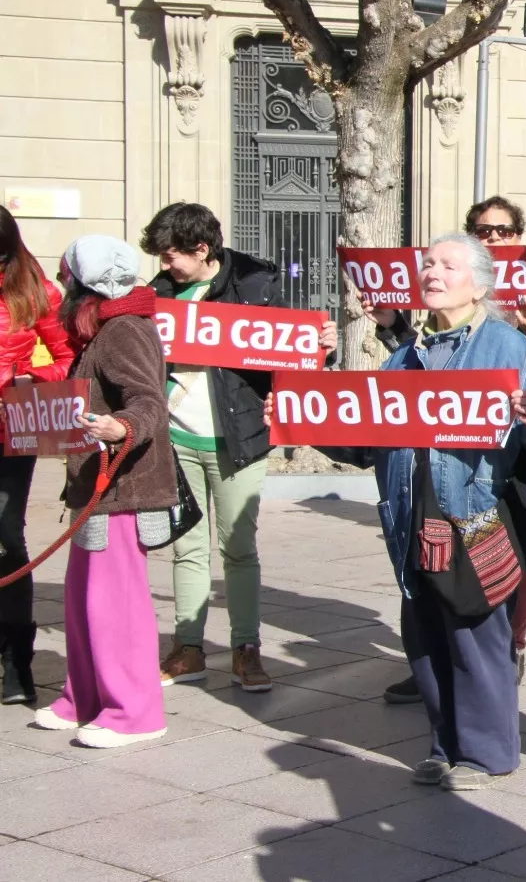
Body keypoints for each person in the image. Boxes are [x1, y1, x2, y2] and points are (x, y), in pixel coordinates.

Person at [296, 234, 526, 790]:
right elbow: (363, 443)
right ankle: (445, 746)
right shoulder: (400, 361)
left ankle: (487, 755)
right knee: (425, 637)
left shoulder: (515, 352)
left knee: (476, 637)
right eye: (427, 264)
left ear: (481, 283)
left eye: (447, 265)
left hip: (477, 515)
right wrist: (304, 414)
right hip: (412, 517)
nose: (432, 272)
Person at [142, 203, 335, 693]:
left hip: (238, 438)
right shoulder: (155, 295)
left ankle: (245, 648)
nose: (165, 267)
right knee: (186, 547)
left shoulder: (256, 288)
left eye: (171, 257)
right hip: (177, 439)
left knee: (238, 548)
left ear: (201, 249)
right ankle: (189, 648)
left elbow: (292, 357)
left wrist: (321, 347)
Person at [380, 197, 526, 705]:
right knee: (429, 618)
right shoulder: (412, 347)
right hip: (422, 497)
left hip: (488, 489)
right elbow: (396, 399)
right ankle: (444, 726)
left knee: (482, 612)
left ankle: (503, 672)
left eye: (501, 231)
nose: (492, 238)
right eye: (482, 229)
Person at [32, 236, 175, 748]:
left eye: (66, 275)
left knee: (117, 602)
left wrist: (123, 427)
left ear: (82, 284)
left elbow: (148, 400)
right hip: (97, 486)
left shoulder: (122, 331)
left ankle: (133, 711)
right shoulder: (103, 330)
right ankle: (85, 698)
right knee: (83, 599)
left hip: (125, 486)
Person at [0, 207, 75, 705]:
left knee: (5, 536)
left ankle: (15, 664)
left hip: (10, 432)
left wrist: (30, 380)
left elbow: (69, 358)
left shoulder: (36, 291)